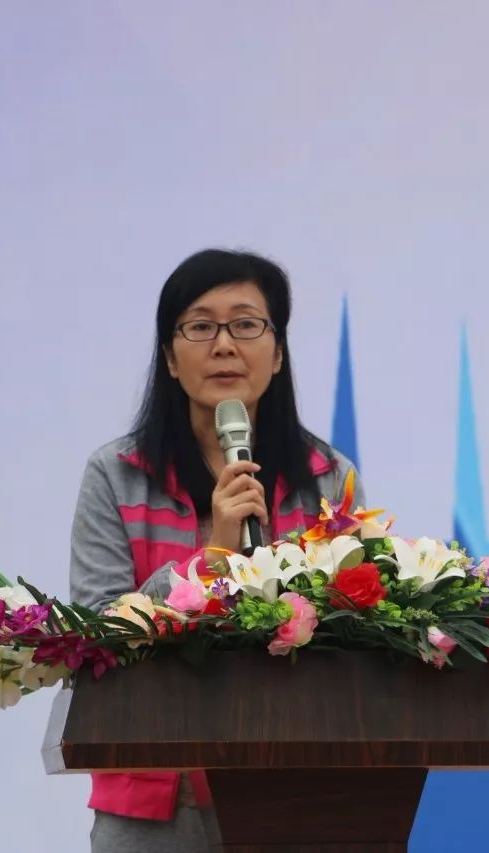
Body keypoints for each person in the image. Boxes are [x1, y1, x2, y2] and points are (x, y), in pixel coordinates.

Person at [67, 248, 364, 851]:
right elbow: (96, 635)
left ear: (277, 353)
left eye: (246, 324)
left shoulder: (326, 476)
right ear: (170, 358)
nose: (224, 345)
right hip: (155, 798)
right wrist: (210, 559)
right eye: (201, 327)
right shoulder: (115, 476)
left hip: (296, 789)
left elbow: (358, 626)